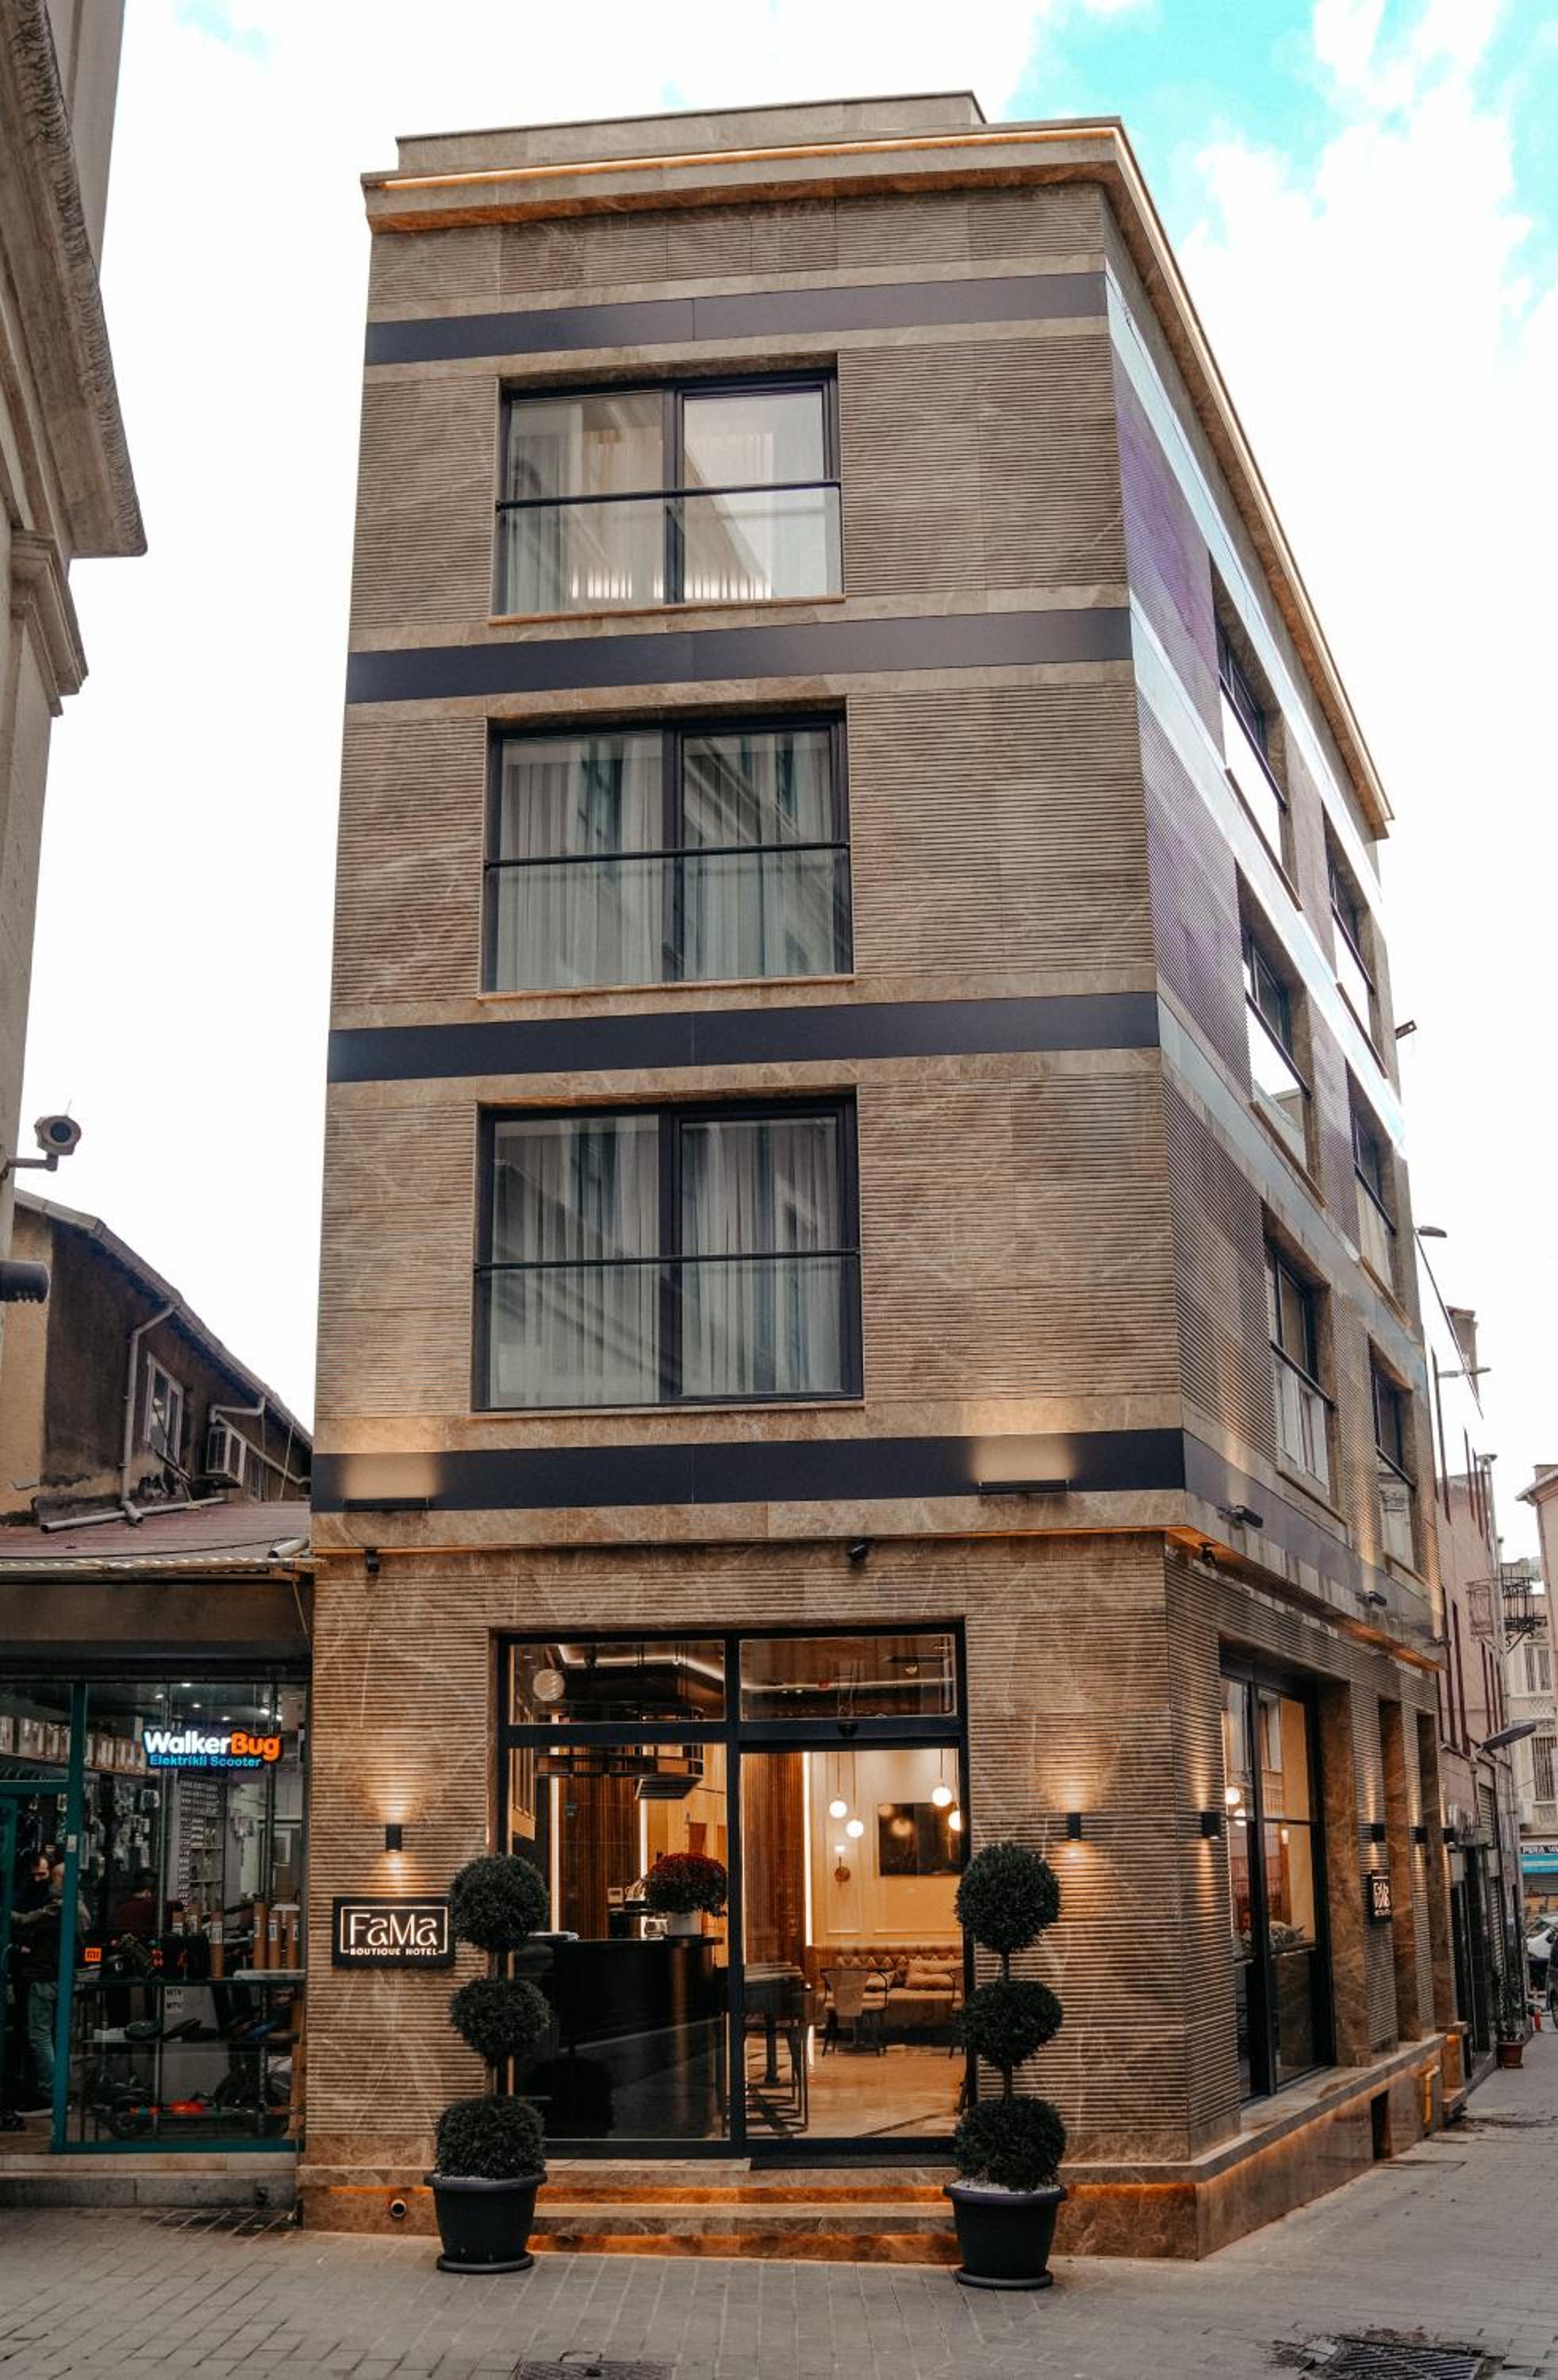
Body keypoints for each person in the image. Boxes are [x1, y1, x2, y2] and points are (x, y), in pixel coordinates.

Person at [13, 1860, 90, 2110]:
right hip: (63, 1976)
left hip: (46, 1974)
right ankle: (60, 2090)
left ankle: (51, 2091)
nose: (49, 1883)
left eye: (54, 1878)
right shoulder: (80, 1906)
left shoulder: (60, 1907)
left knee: (40, 2035)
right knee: (59, 2036)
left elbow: (25, 1920)